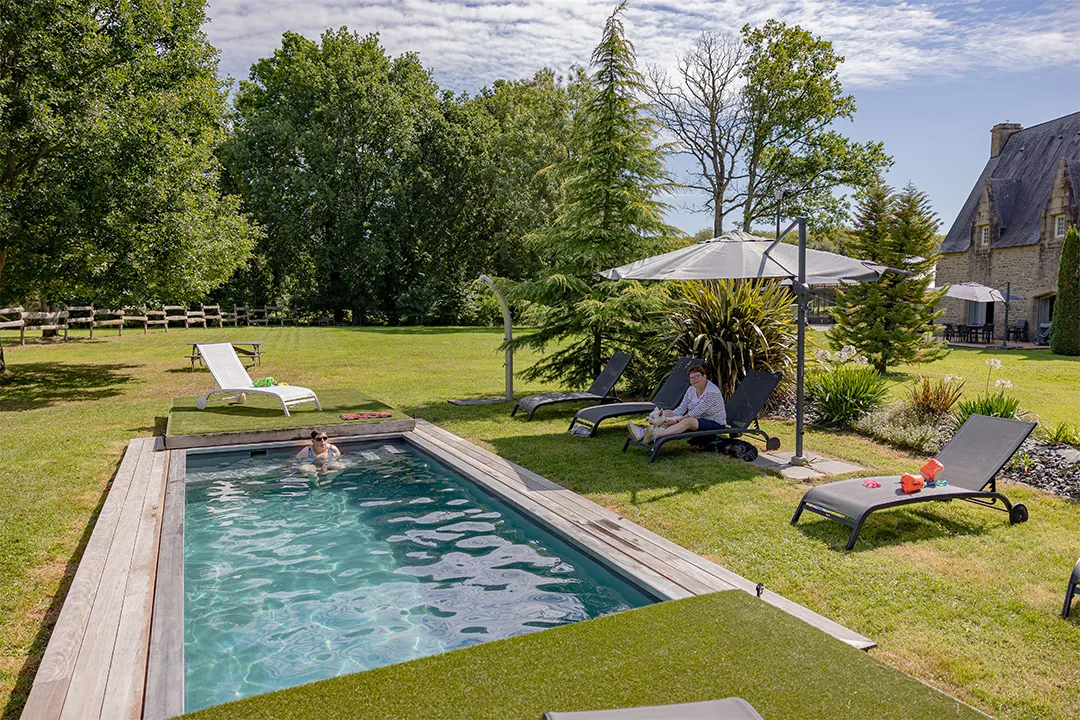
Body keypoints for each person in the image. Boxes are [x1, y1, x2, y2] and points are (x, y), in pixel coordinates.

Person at [628, 361, 726, 445]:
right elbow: (682, 408)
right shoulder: (691, 389)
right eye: (691, 378)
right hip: (697, 419)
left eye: (697, 376)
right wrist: (669, 417)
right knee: (666, 412)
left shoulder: (712, 391)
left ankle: (655, 435)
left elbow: (696, 412)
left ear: (704, 376)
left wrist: (676, 421)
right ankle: (642, 432)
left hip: (714, 422)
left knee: (688, 421)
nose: (694, 379)